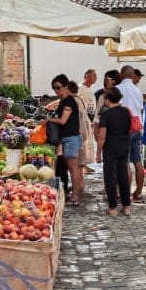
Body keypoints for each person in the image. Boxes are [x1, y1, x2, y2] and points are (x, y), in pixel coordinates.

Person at [47, 74, 83, 206]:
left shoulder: (68, 101)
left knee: (73, 169)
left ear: (66, 86)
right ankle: (73, 195)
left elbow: (63, 120)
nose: (56, 91)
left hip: (71, 138)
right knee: (71, 168)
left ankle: (75, 197)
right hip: (68, 138)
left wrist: (48, 120)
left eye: (58, 88)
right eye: (54, 88)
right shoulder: (63, 100)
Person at [96, 86, 132, 216]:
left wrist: (98, 152)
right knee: (123, 176)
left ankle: (113, 208)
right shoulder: (126, 112)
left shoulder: (106, 115)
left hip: (111, 148)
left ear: (107, 99)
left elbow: (102, 136)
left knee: (110, 178)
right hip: (124, 146)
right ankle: (126, 206)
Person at [117, 65, 145, 203]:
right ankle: (138, 193)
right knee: (138, 162)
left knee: (125, 163)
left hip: (124, 129)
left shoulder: (119, 89)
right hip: (137, 128)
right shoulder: (137, 90)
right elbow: (139, 108)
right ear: (133, 75)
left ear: (122, 74)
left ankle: (126, 194)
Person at [68, 80, 95, 184]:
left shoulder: (73, 100)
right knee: (79, 162)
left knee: (77, 161)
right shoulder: (78, 99)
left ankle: (79, 184)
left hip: (77, 133)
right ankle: (81, 183)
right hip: (82, 133)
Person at [93, 69, 121, 139]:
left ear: (114, 81)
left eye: (107, 79)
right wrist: (96, 131)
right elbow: (98, 117)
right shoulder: (102, 96)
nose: (104, 81)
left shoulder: (122, 95)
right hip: (107, 133)